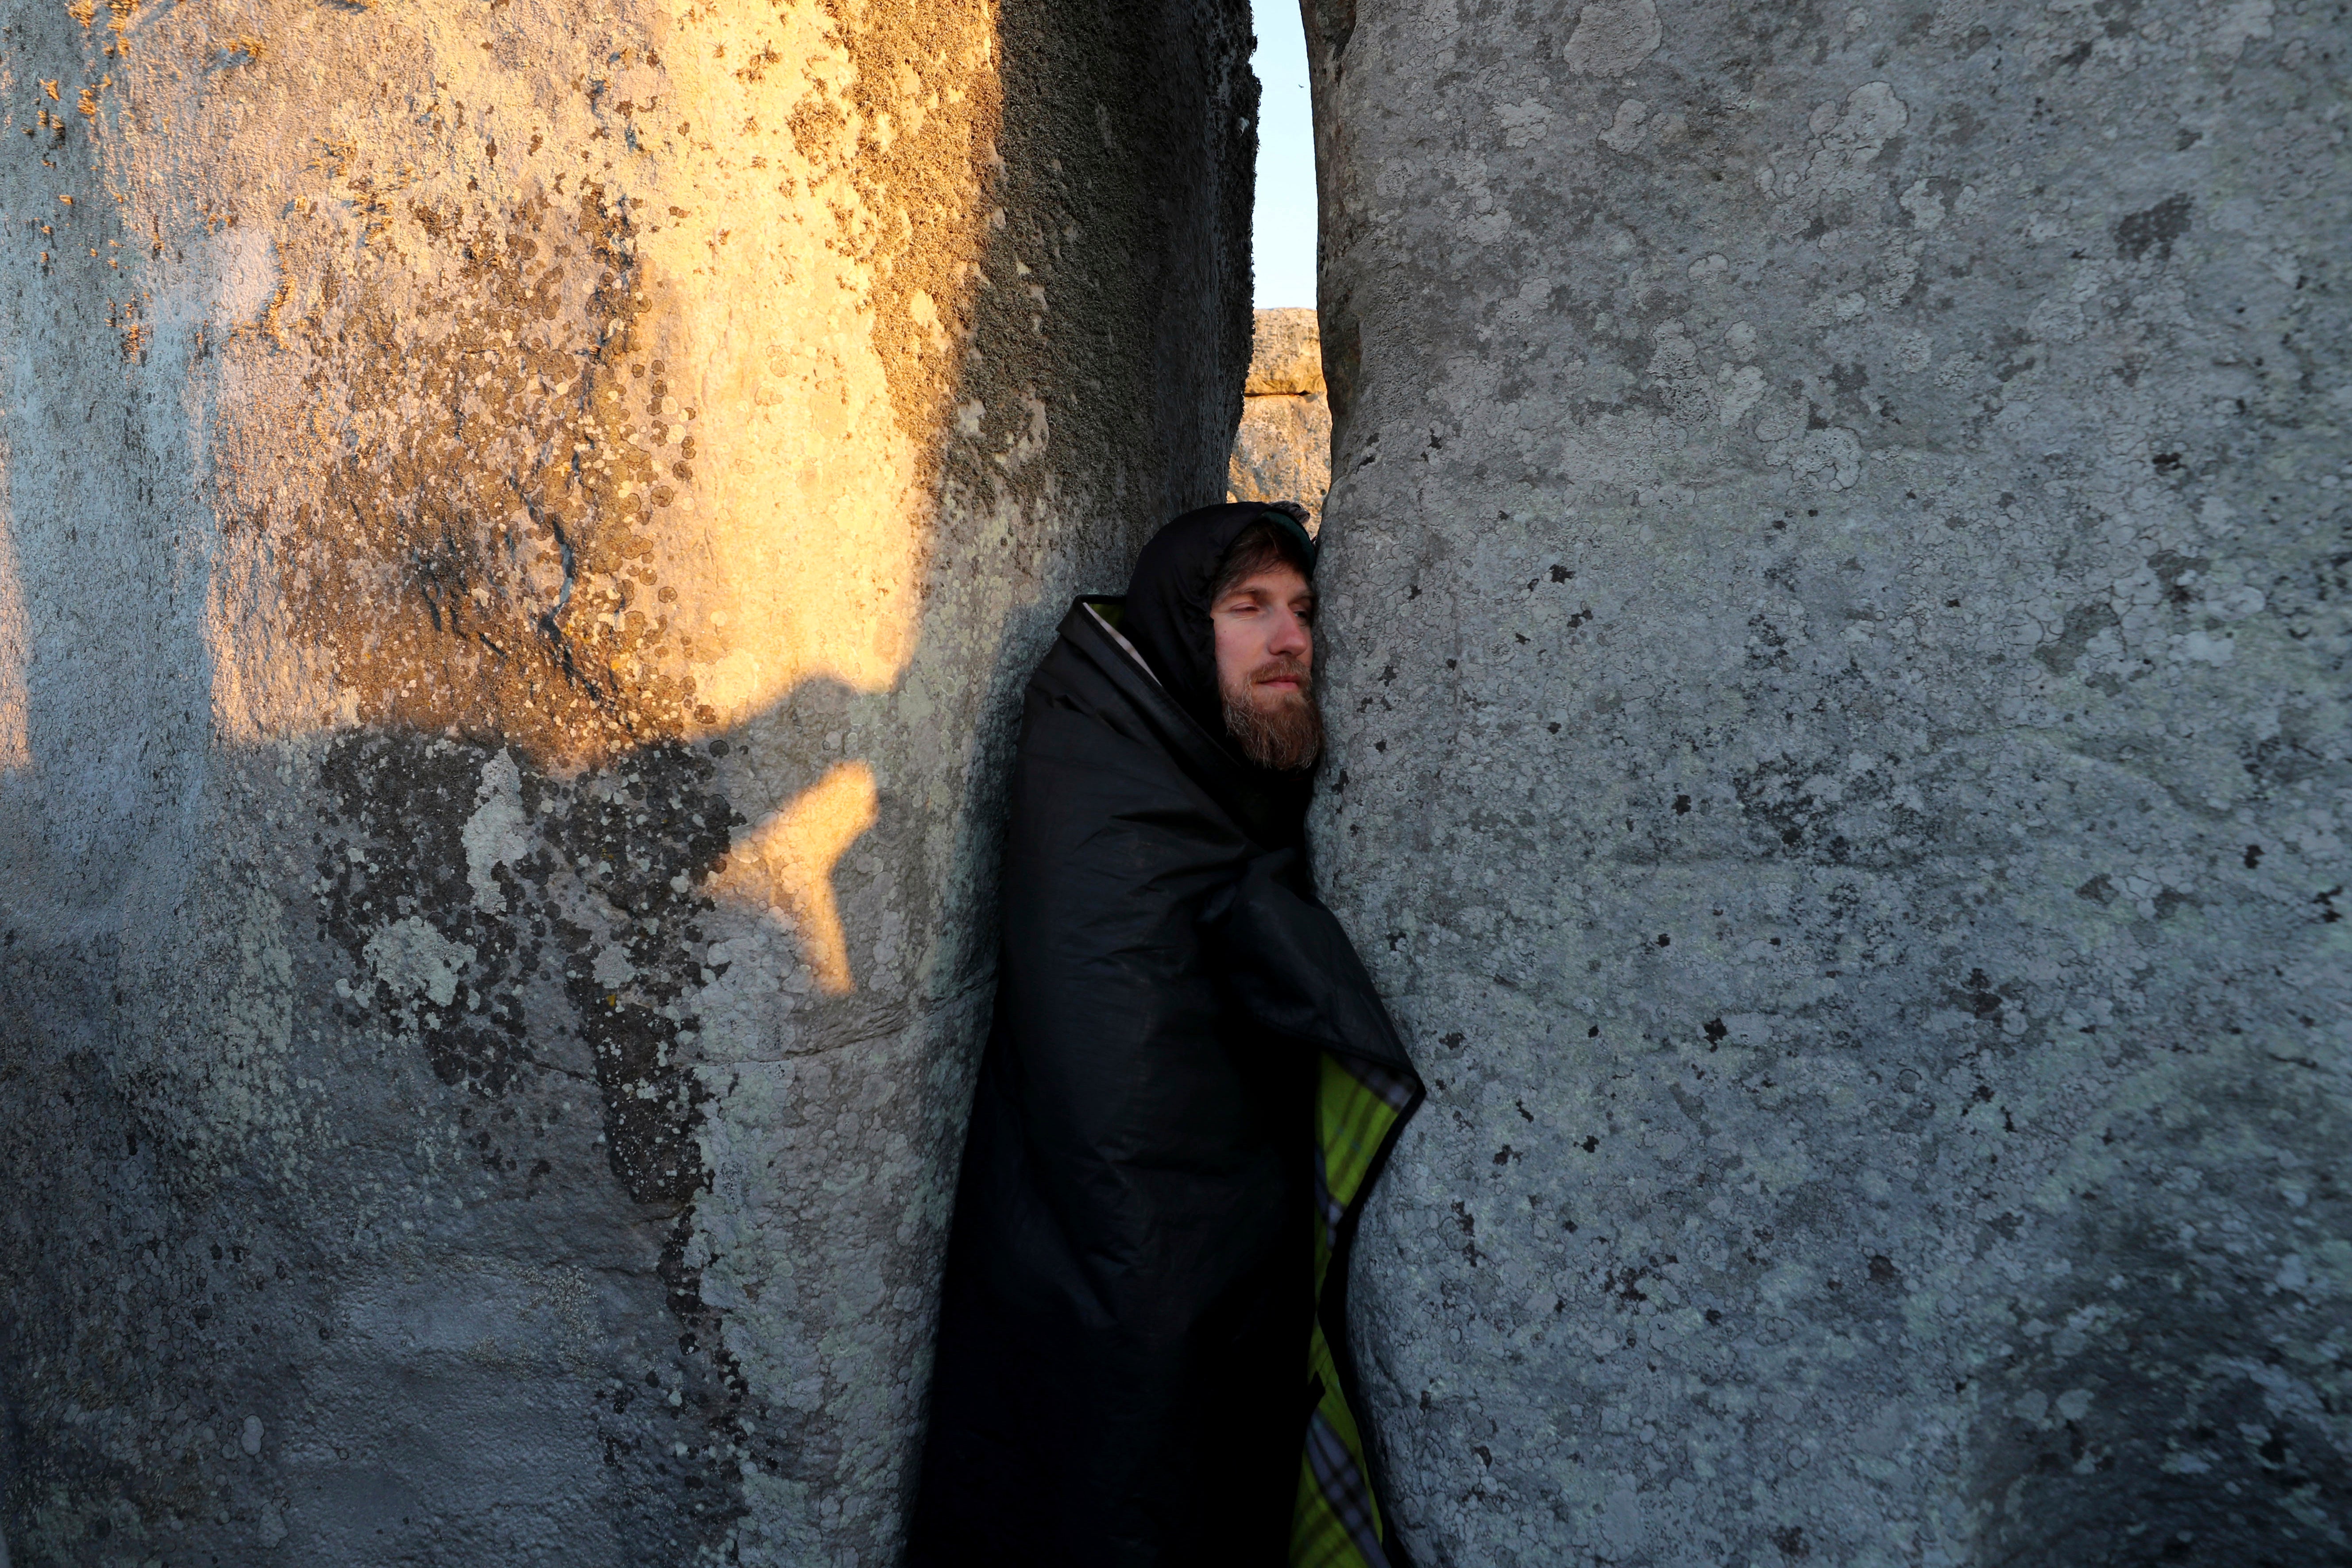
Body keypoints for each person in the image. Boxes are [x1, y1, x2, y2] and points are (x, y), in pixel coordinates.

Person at [908, 502, 1424, 1568]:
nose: (1290, 639)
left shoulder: (1203, 768)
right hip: (1120, 1302)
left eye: (1303, 609)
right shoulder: (1106, 790)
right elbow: (1120, 1118)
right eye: (1248, 609)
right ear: (1185, 633)